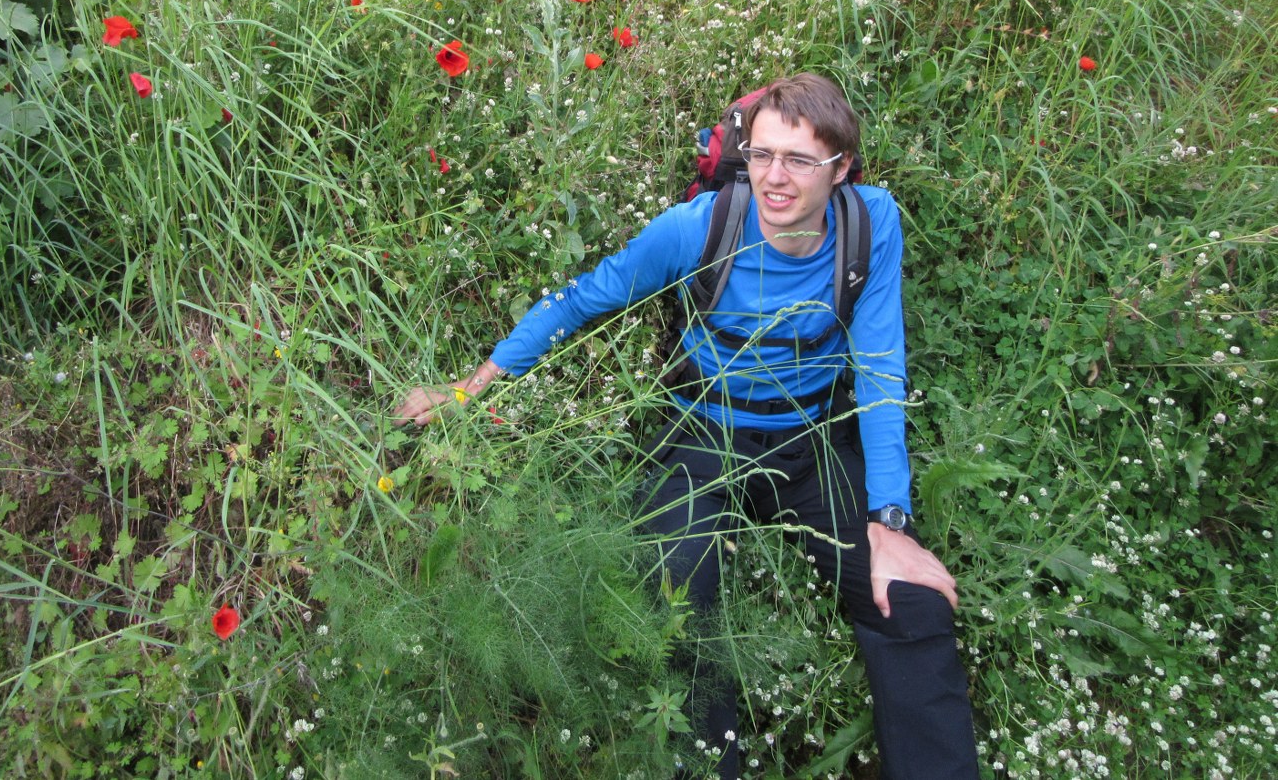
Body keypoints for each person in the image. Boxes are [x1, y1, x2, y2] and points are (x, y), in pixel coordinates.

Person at [393, 74, 979, 779]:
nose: (775, 178)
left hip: (813, 440)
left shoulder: (871, 224)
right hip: (700, 434)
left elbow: (881, 370)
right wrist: (467, 390)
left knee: (910, 601)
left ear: (841, 167)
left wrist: (889, 521)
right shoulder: (697, 227)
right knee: (677, 612)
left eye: (799, 160)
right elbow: (579, 300)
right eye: (761, 155)